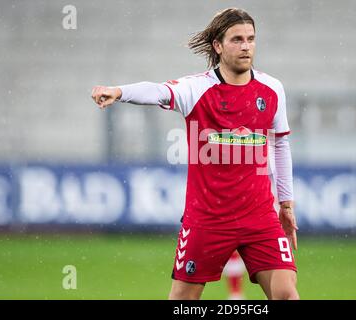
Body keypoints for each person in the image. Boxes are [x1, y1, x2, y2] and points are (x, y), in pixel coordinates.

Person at [91, 7, 299, 300]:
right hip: (208, 220)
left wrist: (286, 205)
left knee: (287, 295)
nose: (246, 46)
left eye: (251, 39)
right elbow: (158, 91)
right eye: (237, 39)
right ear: (218, 45)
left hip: (260, 216)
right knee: (182, 301)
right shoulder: (197, 88)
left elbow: (280, 145)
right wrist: (119, 91)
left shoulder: (272, 89)